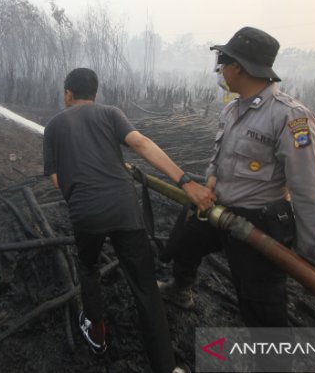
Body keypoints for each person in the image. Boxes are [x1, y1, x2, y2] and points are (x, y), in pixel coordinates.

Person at [159, 26, 315, 330]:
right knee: (185, 242)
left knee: (261, 308)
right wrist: (212, 178)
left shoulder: (290, 117)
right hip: (221, 210)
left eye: (223, 63)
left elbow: (308, 190)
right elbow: (220, 156)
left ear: (238, 68)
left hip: (259, 224)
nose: (219, 71)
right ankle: (181, 290)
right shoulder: (233, 110)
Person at [43, 68, 214, 373]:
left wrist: (79, 185)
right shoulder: (111, 113)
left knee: (88, 267)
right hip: (124, 209)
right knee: (146, 286)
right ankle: (167, 367)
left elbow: (56, 178)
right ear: (94, 93)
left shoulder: (54, 125)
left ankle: (97, 335)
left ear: (68, 93)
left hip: (86, 214)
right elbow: (141, 144)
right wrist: (185, 181)